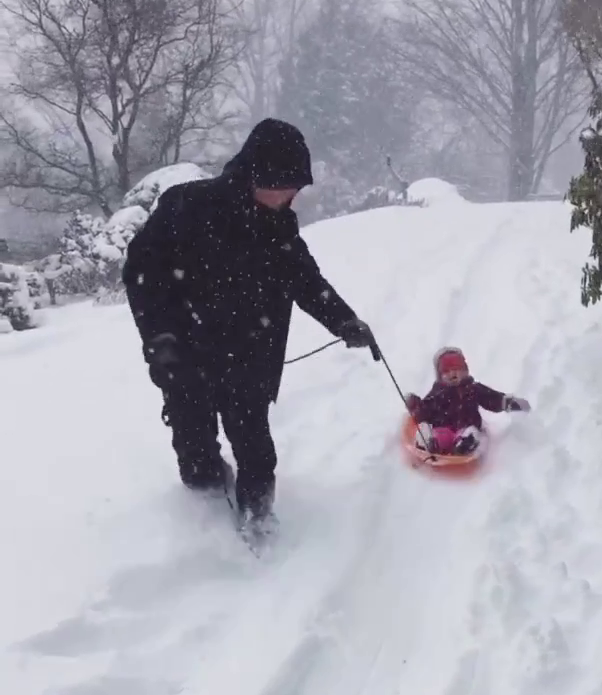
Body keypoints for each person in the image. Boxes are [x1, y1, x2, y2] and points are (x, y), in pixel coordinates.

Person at [122, 119, 375, 529]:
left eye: (298, 186)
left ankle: (259, 520)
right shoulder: (186, 206)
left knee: (256, 451)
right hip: (184, 355)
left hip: (248, 357)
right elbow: (142, 275)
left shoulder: (279, 225)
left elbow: (306, 281)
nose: (294, 194)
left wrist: (345, 322)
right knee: (196, 452)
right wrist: (160, 337)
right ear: (258, 173)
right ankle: (202, 524)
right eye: (287, 184)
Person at [405, 346, 530, 454]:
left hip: (464, 430)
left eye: (456, 369)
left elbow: (493, 399)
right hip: (442, 432)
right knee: (425, 428)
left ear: (465, 370)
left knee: (471, 433)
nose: (452, 374)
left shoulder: (473, 389)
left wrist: (510, 403)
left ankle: (463, 447)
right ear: (440, 376)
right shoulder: (438, 393)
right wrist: (415, 405)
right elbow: (425, 411)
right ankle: (428, 444)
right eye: (447, 371)